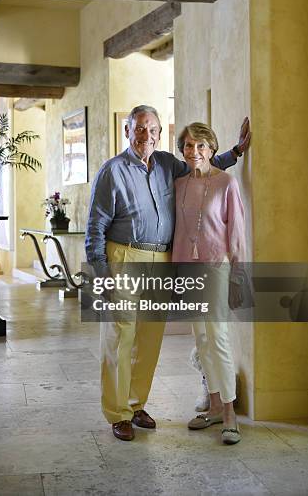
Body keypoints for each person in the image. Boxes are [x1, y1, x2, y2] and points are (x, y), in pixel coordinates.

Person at [85, 105, 249, 442]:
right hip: (125, 255)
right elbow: (95, 228)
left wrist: (235, 152)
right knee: (120, 336)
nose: (147, 136)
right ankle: (119, 413)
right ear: (128, 131)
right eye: (140, 129)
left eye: (153, 130)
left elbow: (202, 168)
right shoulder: (111, 171)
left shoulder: (166, 165)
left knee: (149, 338)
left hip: (162, 258)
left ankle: (136, 403)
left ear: (160, 134)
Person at [172, 122, 246, 445]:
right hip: (187, 270)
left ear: (212, 149)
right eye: (189, 146)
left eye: (201, 145)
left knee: (218, 337)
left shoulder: (227, 183)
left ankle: (230, 413)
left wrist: (238, 277)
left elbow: (237, 234)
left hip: (217, 268)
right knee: (201, 339)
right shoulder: (178, 184)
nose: (195, 151)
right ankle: (214, 405)